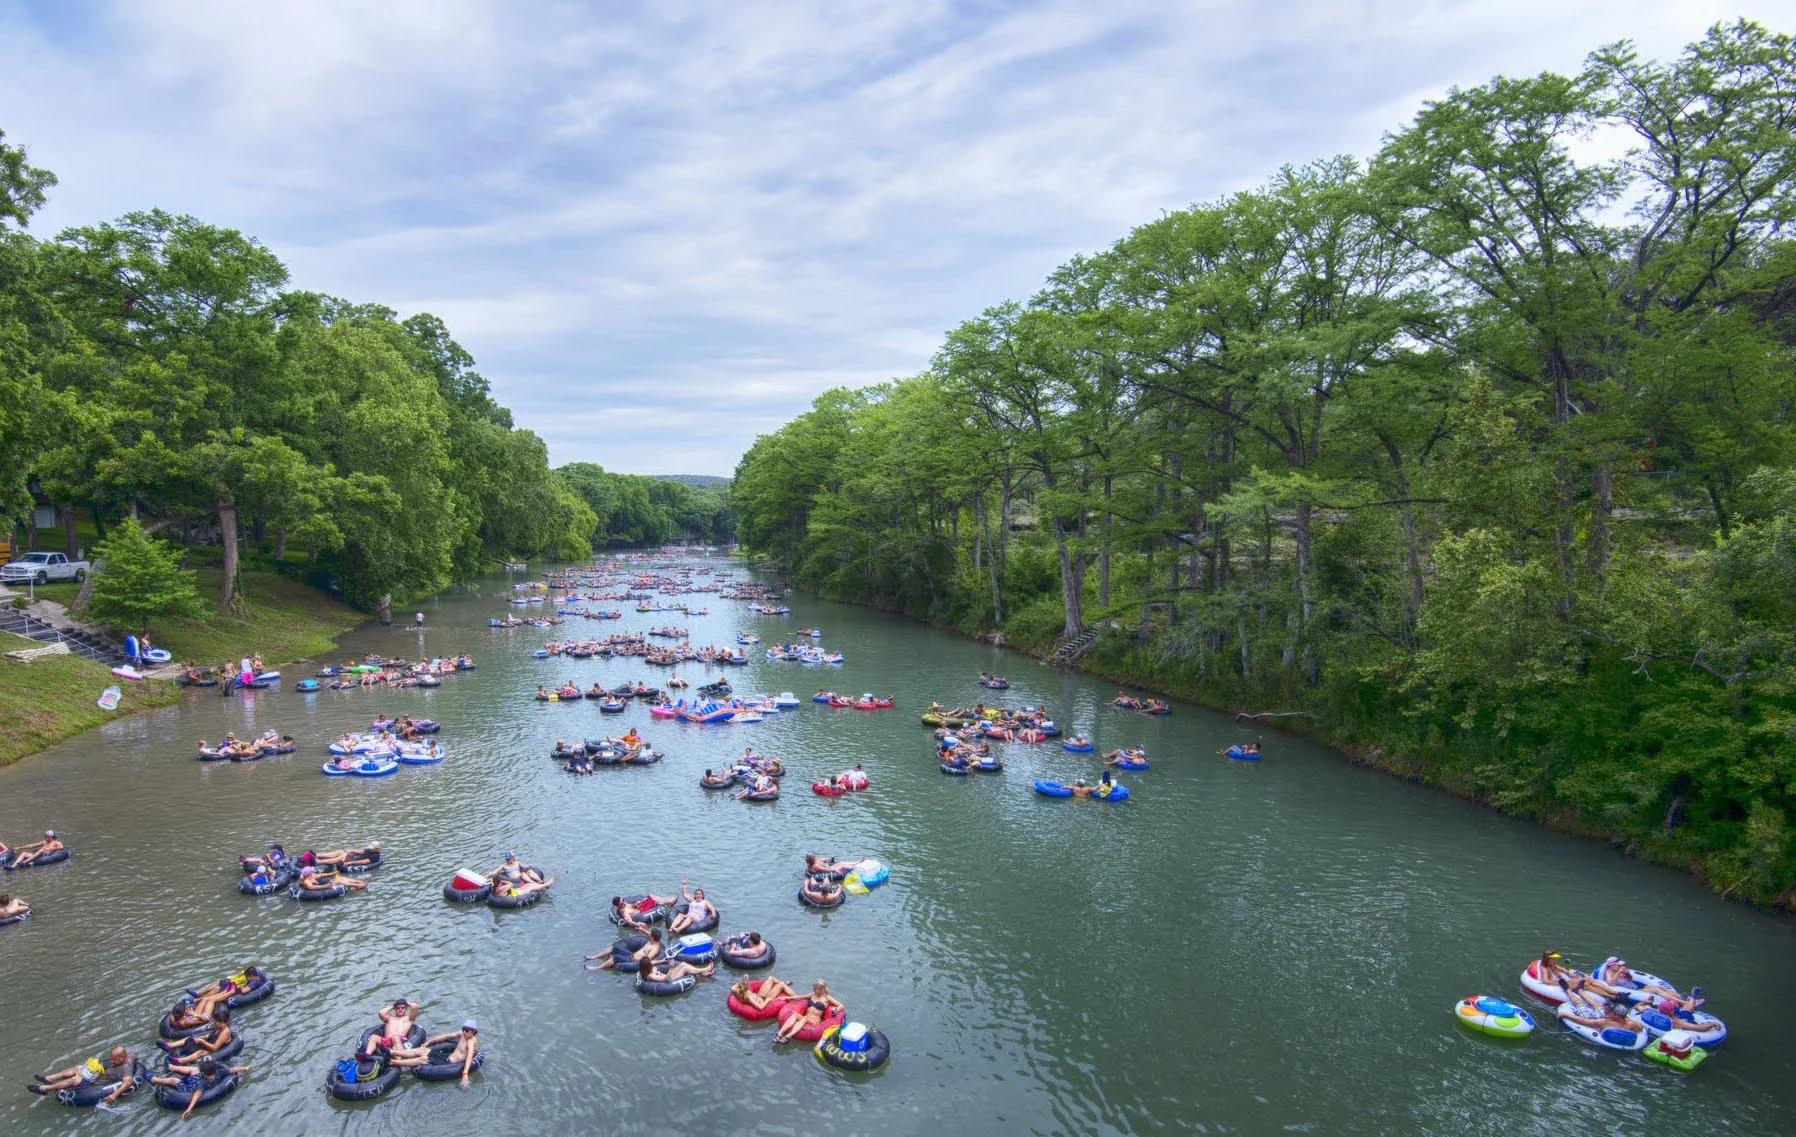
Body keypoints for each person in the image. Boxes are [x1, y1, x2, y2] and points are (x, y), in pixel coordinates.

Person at [31, 1045, 139, 1104]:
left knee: (75, 1080)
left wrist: (114, 1095)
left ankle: (45, 1089)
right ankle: (50, 1078)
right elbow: (130, 1053)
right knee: (79, 1067)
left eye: (114, 1060)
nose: (112, 1061)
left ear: (122, 1058)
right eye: (111, 1059)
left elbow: (128, 1081)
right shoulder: (128, 1055)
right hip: (96, 1076)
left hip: (95, 1085)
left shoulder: (125, 1068)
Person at [149, 1056, 249, 1120]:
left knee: (174, 1080)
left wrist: (189, 1108)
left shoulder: (203, 1083)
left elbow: (197, 1094)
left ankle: (154, 1080)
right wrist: (245, 1068)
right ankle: (171, 1067)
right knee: (194, 1069)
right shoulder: (219, 1072)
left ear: (204, 1074)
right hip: (196, 1081)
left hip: (188, 1090)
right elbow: (232, 1069)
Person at [389, 1020, 479, 1086]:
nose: (464, 1032)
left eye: (467, 1030)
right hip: (445, 1059)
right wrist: (429, 1042)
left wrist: (465, 1074)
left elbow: (470, 1057)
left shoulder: (471, 1042)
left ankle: (394, 1062)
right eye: (463, 1029)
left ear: (473, 1031)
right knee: (422, 1050)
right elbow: (446, 1036)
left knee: (423, 1059)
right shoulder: (463, 1035)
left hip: (448, 1064)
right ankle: (392, 1052)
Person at [775, 979, 845, 1043]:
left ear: (821, 989)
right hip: (806, 1018)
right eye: (814, 988)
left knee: (805, 1018)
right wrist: (787, 997)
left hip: (815, 1022)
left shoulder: (827, 998)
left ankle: (788, 1036)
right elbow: (800, 997)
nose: (813, 990)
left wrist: (836, 1010)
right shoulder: (812, 995)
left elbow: (841, 1005)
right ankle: (779, 1034)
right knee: (795, 1014)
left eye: (815, 989)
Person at [160, 1008, 234, 1062]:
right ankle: (170, 1045)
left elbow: (215, 1048)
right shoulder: (218, 1027)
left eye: (217, 1024)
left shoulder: (225, 1032)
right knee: (192, 1037)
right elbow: (211, 1036)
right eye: (214, 1023)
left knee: (200, 1053)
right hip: (211, 1042)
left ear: (225, 1022)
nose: (215, 1025)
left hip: (219, 1048)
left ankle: (181, 1061)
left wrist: (202, 1042)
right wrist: (203, 1037)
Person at [588, 927, 662, 970]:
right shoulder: (652, 940)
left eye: (650, 934)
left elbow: (647, 960)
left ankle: (596, 968)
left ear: (652, 937)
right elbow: (648, 933)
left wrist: (637, 959)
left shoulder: (655, 948)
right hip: (632, 955)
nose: (649, 933)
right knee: (614, 947)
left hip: (633, 960)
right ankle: (594, 957)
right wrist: (641, 929)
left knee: (615, 958)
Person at [1558, 1000, 1642, 1034]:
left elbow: (1582, 1021)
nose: (1610, 1012)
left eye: (1612, 1012)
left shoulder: (1605, 1022)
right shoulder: (1633, 1024)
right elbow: (1641, 1029)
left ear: (1616, 1015)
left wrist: (1566, 1014)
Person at [730, 973, 796, 1010]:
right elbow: (760, 1007)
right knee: (781, 984)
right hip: (764, 1000)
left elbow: (731, 988)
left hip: (759, 996)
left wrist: (742, 981)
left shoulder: (737, 991)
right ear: (747, 987)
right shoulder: (748, 997)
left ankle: (784, 983)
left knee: (771, 978)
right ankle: (796, 997)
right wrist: (768, 1000)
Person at [639, 954, 715, 985]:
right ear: (647, 966)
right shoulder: (651, 975)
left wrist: (661, 961)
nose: (651, 964)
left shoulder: (648, 970)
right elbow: (665, 979)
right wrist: (671, 967)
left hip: (669, 976)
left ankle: (703, 974)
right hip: (670, 979)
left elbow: (652, 963)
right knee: (684, 969)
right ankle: (705, 969)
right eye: (649, 963)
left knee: (683, 964)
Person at [296, 866, 369, 893]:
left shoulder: (311, 876)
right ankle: (357, 886)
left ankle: (359, 882)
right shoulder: (306, 881)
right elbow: (312, 887)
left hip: (326, 884)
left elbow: (321, 875)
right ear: (309, 873)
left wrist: (332, 873)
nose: (313, 873)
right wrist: (326, 886)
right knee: (338, 880)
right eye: (311, 872)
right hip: (323, 888)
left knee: (338, 877)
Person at [313, 844, 381, 869]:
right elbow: (361, 851)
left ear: (376, 849)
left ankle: (319, 862)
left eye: (372, 848)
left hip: (354, 860)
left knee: (341, 858)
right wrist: (350, 851)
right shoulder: (369, 850)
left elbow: (364, 862)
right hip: (353, 857)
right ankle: (318, 855)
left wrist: (350, 863)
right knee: (340, 852)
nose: (370, 848)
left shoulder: (375, 856)